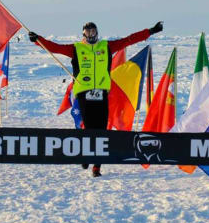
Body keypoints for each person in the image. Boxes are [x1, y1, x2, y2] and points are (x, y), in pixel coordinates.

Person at [29, 21, 163, 177]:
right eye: (88, 32)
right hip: (83, 93)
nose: (91, 35)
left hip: (101, 93)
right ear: (83, 34)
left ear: (97, 33)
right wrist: (37, 39)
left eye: (93, 32)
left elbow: (129, 40)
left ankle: (97, 166)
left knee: (101, 130)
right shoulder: (76, 48)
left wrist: (150, 31)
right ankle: (86, 156)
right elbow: (54, 47)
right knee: (87, 127)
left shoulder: (106, 47)